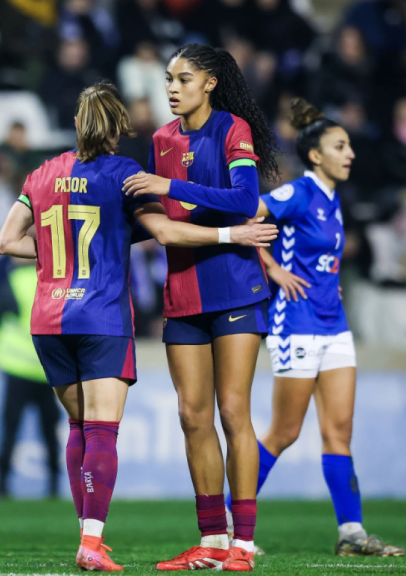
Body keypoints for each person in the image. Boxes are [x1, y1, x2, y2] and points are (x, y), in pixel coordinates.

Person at [0, 80, 277, 572]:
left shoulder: (40, 174)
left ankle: (86, 535)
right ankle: (92, 541)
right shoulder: (125, 173)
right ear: (119, 128)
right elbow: (165, 231)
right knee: (102, 430)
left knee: (78, 428)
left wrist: (68, 253)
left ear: (76, 124)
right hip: (99, 315)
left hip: (48, 318)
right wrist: (231, 234)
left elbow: (6, 242)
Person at [121, 43, 281, 572]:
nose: (172, 88)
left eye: (183, 79)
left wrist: (170, 184)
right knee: (192, 416)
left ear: (210, 83)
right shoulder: (161, 139)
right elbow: (156, 219)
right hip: (184, 294)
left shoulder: (232, 129)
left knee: (233, 411)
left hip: (235, 287)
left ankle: (244, 544)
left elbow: (245, 199)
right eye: (168, 79)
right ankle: (212, 540)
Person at [252, 99, 402, 557]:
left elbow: (318, 258)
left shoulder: (334, 199)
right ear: (315, 155)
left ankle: (351, 534)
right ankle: (229, 524)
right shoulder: (298, 192)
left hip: (333, 324)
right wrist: (272, 269)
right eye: (340, 146)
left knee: (338, 432)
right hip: (296, 323)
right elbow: (246, 217)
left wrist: (325, 282)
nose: (350, 153)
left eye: (349, 145)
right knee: (284, 432)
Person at [0, 261, 60, 499]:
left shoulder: (14, 281)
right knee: (50, 430)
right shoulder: (55, 282)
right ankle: (54, 486)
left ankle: (1, 484)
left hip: (17, 367)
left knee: (10, 427)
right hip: (47, 369)